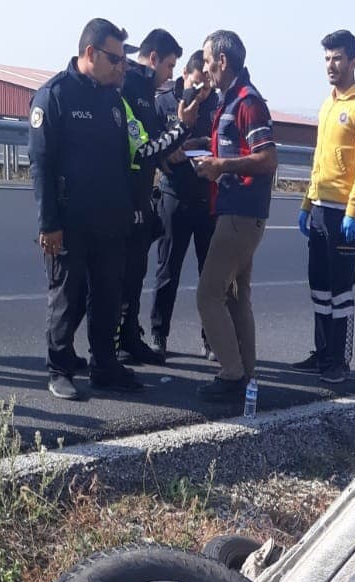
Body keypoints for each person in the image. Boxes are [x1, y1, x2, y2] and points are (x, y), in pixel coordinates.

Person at [29, 19, 147, 402]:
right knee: (67, 297)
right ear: (90, 53)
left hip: (110, 221)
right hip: (70, 222)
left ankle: (104, 365)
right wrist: (49, 224)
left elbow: (123, 159)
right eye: (115, 59)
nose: (122, 67)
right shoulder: (55, 96)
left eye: (124, 60)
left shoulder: (113, 100)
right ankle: (60, 368)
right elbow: (41, 165)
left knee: (108, 297)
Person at [193, 29, 276, 410]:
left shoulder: (247, 102)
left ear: (223, 61)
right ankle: (245, 373)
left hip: (241, 214)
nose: (206, 68)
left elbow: (267, 159)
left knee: (209, 294)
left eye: (209, 61)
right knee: (235, 297)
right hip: (237, 211)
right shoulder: (231, 100)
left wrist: (221, 165)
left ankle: (230, 374)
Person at [295, 29, 355, 383]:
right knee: (319, 285)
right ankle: (321, 353)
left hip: (341, 212)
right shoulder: (328, 103)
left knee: (341, 290)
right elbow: (318, 159)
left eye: (338, 58)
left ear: (353, 60)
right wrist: (305, 202)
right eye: (327, 58)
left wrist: (353, 211)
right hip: (318, 208)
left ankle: (339, 361)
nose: (331, 65)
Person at [118, 27, 182, 364]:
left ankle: (130, 336)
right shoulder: (127, 83)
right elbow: (138, 144)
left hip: (143, 194)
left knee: (136, 270)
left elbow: (154, 142)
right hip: (121, 195)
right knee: (121, 273)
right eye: (170, 65)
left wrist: (169, 154)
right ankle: (115, 342)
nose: (171, 74)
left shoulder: (147, 90)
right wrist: (180, 130)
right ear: (154, 57)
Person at [149, 48, 217, 359]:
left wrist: (207, 147)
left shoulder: (217, 105)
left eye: (208, 85)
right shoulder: (165, 102)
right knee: (167, 270)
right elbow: (156, 144)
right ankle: (158, 335)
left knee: (211, 275)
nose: (204, 90)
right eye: (199, 83)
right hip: (174, 195)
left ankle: (212, 339)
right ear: (186, 77)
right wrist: (180, 145)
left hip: (206, 199)